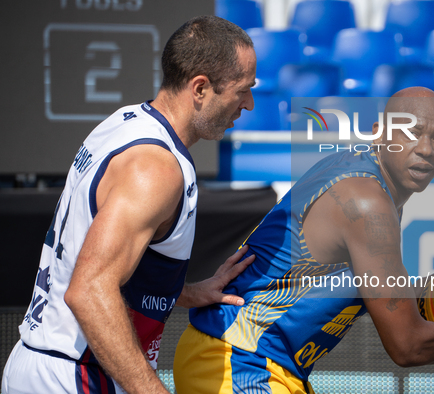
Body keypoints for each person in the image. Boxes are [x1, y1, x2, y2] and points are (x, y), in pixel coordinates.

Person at [173, 87, 434, 393]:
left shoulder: (364, 179)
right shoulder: (367, 201)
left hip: (255, 362)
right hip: (237, 361)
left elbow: (338, 281)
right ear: (379, 133)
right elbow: (406, 346)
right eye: (411, 132)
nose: (425, 148)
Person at [1, 15, 257, 394]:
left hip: (44, 365)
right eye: (242, 90)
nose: (249, 104)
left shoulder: (126, 121)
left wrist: (184, 291)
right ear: (200, 88)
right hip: (76, 377)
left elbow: (104, 263)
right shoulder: (157, 169)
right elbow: (89, 290)